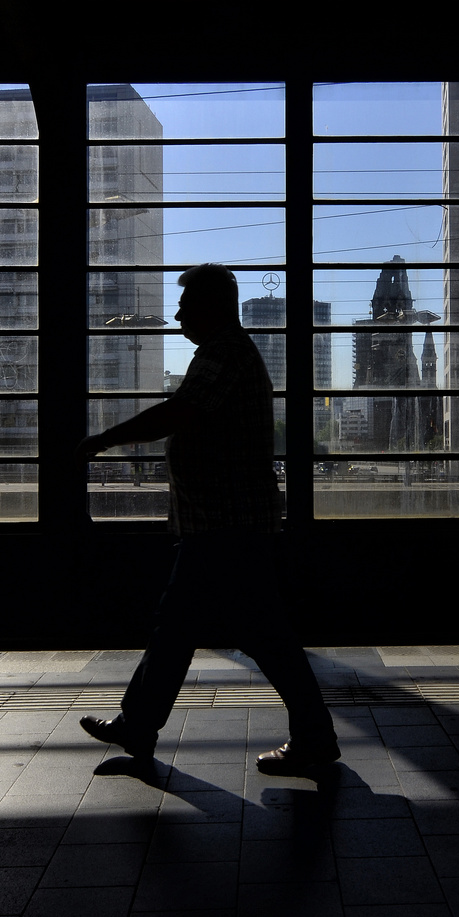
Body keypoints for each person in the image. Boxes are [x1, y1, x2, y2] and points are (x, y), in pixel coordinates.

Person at [75, 263, 339, 775]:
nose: (176, 315)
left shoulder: (225, 355)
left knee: (254, 634)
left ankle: (314, 736)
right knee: (186, 628)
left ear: (212, 307)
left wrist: (105, 440)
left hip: (226, 526)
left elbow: (181, 411)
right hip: (219, 524)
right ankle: (139, 724)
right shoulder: (225, 354)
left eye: (185, 305)